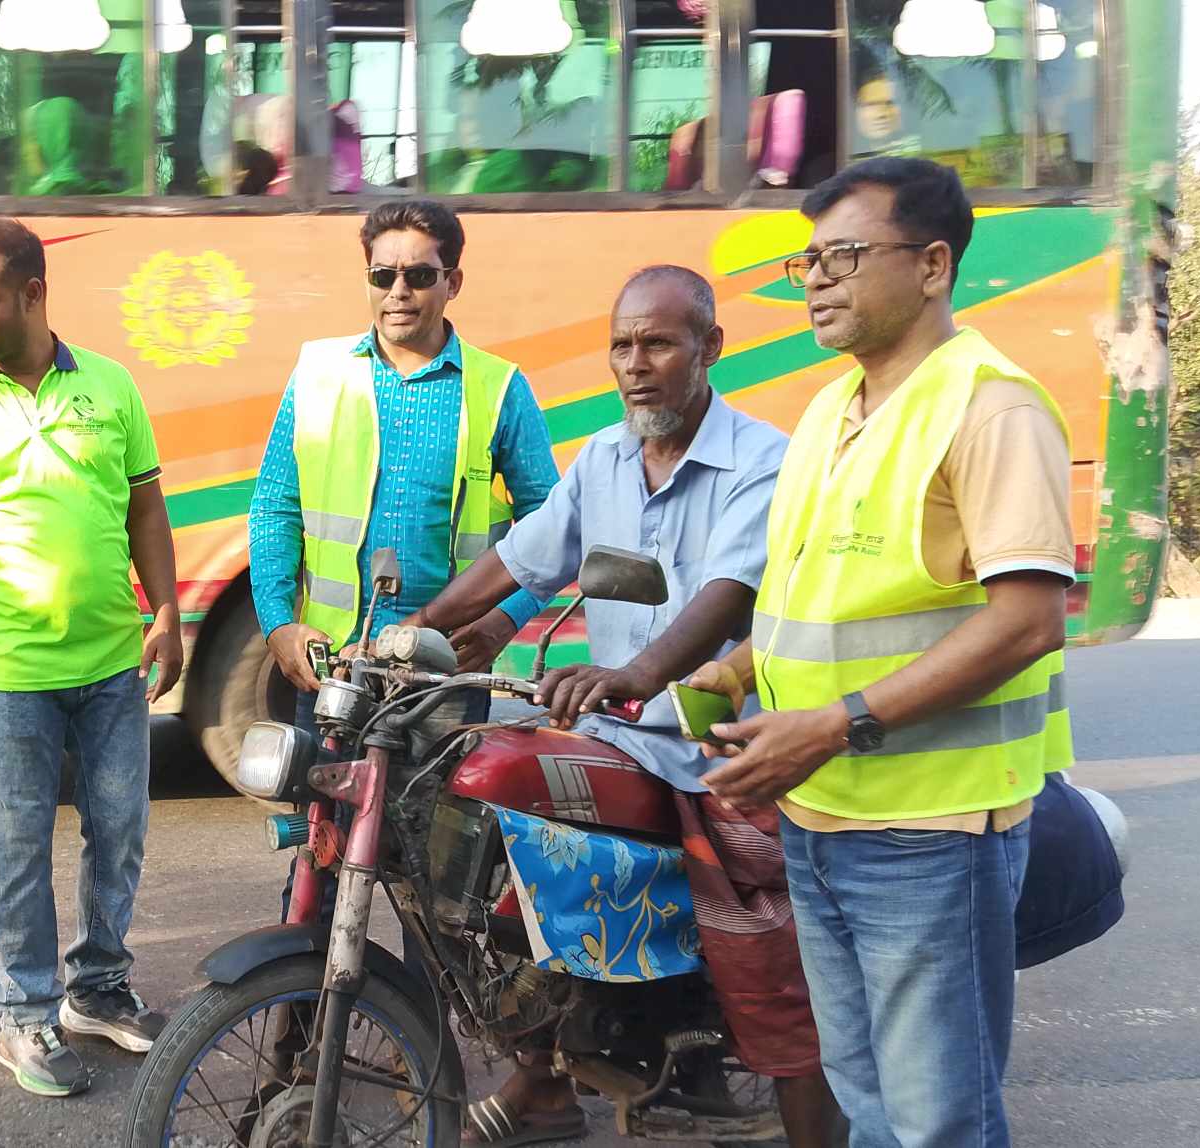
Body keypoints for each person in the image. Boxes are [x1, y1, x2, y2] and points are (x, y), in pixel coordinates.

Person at [689, 157, 1074, 1148]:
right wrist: (736, 670)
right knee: (869, 1101)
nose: (815, 279)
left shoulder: (991, 404)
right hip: (818, 819)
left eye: (844, 256)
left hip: (929, 835)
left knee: (936, 1119)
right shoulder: (829, 409)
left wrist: (832, 722)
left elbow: (1029, 618)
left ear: (934, 264)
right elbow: (818, 592)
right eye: (807, 260)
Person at [409, 266, 840, 1148]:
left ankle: (801, 1121)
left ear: (709, 348)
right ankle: (545, 1077)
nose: (635, 364)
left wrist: (638, 675)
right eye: (621, 346)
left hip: (721, 748)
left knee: (772, 979)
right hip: (617, 737)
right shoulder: (602, 458)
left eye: (658, 343)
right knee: (496, 839)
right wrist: (411, 631)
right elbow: (520, 563)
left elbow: (725, 595)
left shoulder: (760, 460)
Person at [0, 218, 183, 1098]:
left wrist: (166, 610)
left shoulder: (111, 386)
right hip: (5, 673)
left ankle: (97, 990)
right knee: (17, 849)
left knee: (120, 832)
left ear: (32, 293)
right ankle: (24, 1014)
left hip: (110, 668)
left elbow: (146, 511)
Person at [249, 197, 558, 752]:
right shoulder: (319, 375)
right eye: (382, 274)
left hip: (442, 675)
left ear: (452, 282)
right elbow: (275, 507)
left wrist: (505, 619)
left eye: (418, 276)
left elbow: (550, 526)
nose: (398, 292)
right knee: (327, 836)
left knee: (438, 836)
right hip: (336, 665)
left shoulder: (499, 387)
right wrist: (278, 626)